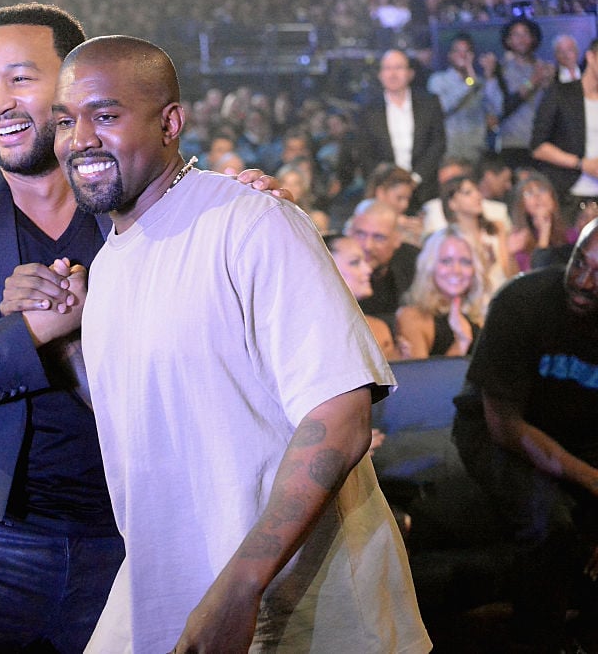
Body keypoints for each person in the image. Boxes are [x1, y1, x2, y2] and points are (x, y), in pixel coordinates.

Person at [0, 3, 289, 652]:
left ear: (76, 87)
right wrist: (26, 335)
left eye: (19, 79)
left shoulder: (157, 206)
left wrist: (243, 210)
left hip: (134, 535)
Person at [48, 34, 428, 652]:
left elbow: (341, 415)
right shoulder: (109, 265)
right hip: (173, 598)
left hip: (301, 611)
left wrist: (242, 585)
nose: (79, 138)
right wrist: (65, 343)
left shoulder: (251, 220)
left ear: (171, 122)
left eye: (106, 115)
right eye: (66, 120)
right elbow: (156, 411)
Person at [452, 218, 598, 652]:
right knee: (550, 522)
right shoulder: (524, 300)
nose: (583, 282)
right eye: (579, 264)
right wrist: (591, 481)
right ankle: (538, 639)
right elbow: (506, 425)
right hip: (494, 431)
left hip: (579, 436)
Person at [356, 49, 446, 210]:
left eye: (398, 67)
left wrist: (414, 179)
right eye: (387, 68)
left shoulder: (429, 103)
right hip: (385, 192)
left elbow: (438, 144)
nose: (393, 74)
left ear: (410, 73)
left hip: (424, 189)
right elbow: (364, 152)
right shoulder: (368, 110)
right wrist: (388, 183)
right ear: (380, 74)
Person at [531, 38, 598, 217]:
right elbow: (538, 146)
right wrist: (581, 164)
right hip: (569, 192)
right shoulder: (560, 93)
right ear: (591, 57)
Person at [396, 227, 486, 358]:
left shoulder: (478, 317)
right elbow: (421, 377)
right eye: (446, 261)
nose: (456, 270)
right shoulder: (412, 317)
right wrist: (461, 342)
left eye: (465, 262)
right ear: (430, 266)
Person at [324, 234, 402, 360]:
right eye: (355, 262)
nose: (368, 269)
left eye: (364, 261)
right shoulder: (307, 333)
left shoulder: (378, 329)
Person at [492, 17, 555, 171]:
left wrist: (550, 83)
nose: (521, 39)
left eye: (526, 34)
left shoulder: (546, 68)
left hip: (543, 144)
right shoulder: (501, 70)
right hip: (513, 143)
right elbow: (501, 107)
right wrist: (532, 82)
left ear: (534, 38)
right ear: (508, 41)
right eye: (516, 34)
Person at [427, 33, 500, 165]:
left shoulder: (479, 82)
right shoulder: (438, 80)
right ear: (450, 55)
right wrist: (469, 83)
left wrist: (490, 77)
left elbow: (496, 110)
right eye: (458, 51)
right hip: (449, 153)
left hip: (476, 154)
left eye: (467, 51)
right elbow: (442, 107)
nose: (462, 55)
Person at [346, 199, 420, 328]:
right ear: (349, 233)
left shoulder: (415, 262)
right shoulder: (330, 263)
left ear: (397, 239)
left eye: (379, 237)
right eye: (361, 234)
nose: (367, 246)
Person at [440, 175, 512, 297]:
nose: (477, 196)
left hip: (502, 296)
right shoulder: (449, 240)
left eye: (477, 190)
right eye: (468, 193)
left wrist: (511, 253)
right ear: (452, 203)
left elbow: (509, 274)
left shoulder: (496, 228)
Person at [508, 171, 573, 272]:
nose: (537, 196)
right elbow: (533, 276)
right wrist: (544, 230)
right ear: (522, 205)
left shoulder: (570, 233)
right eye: (529, 193)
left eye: (542, 190)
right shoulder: (520, 240)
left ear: (552, 198)